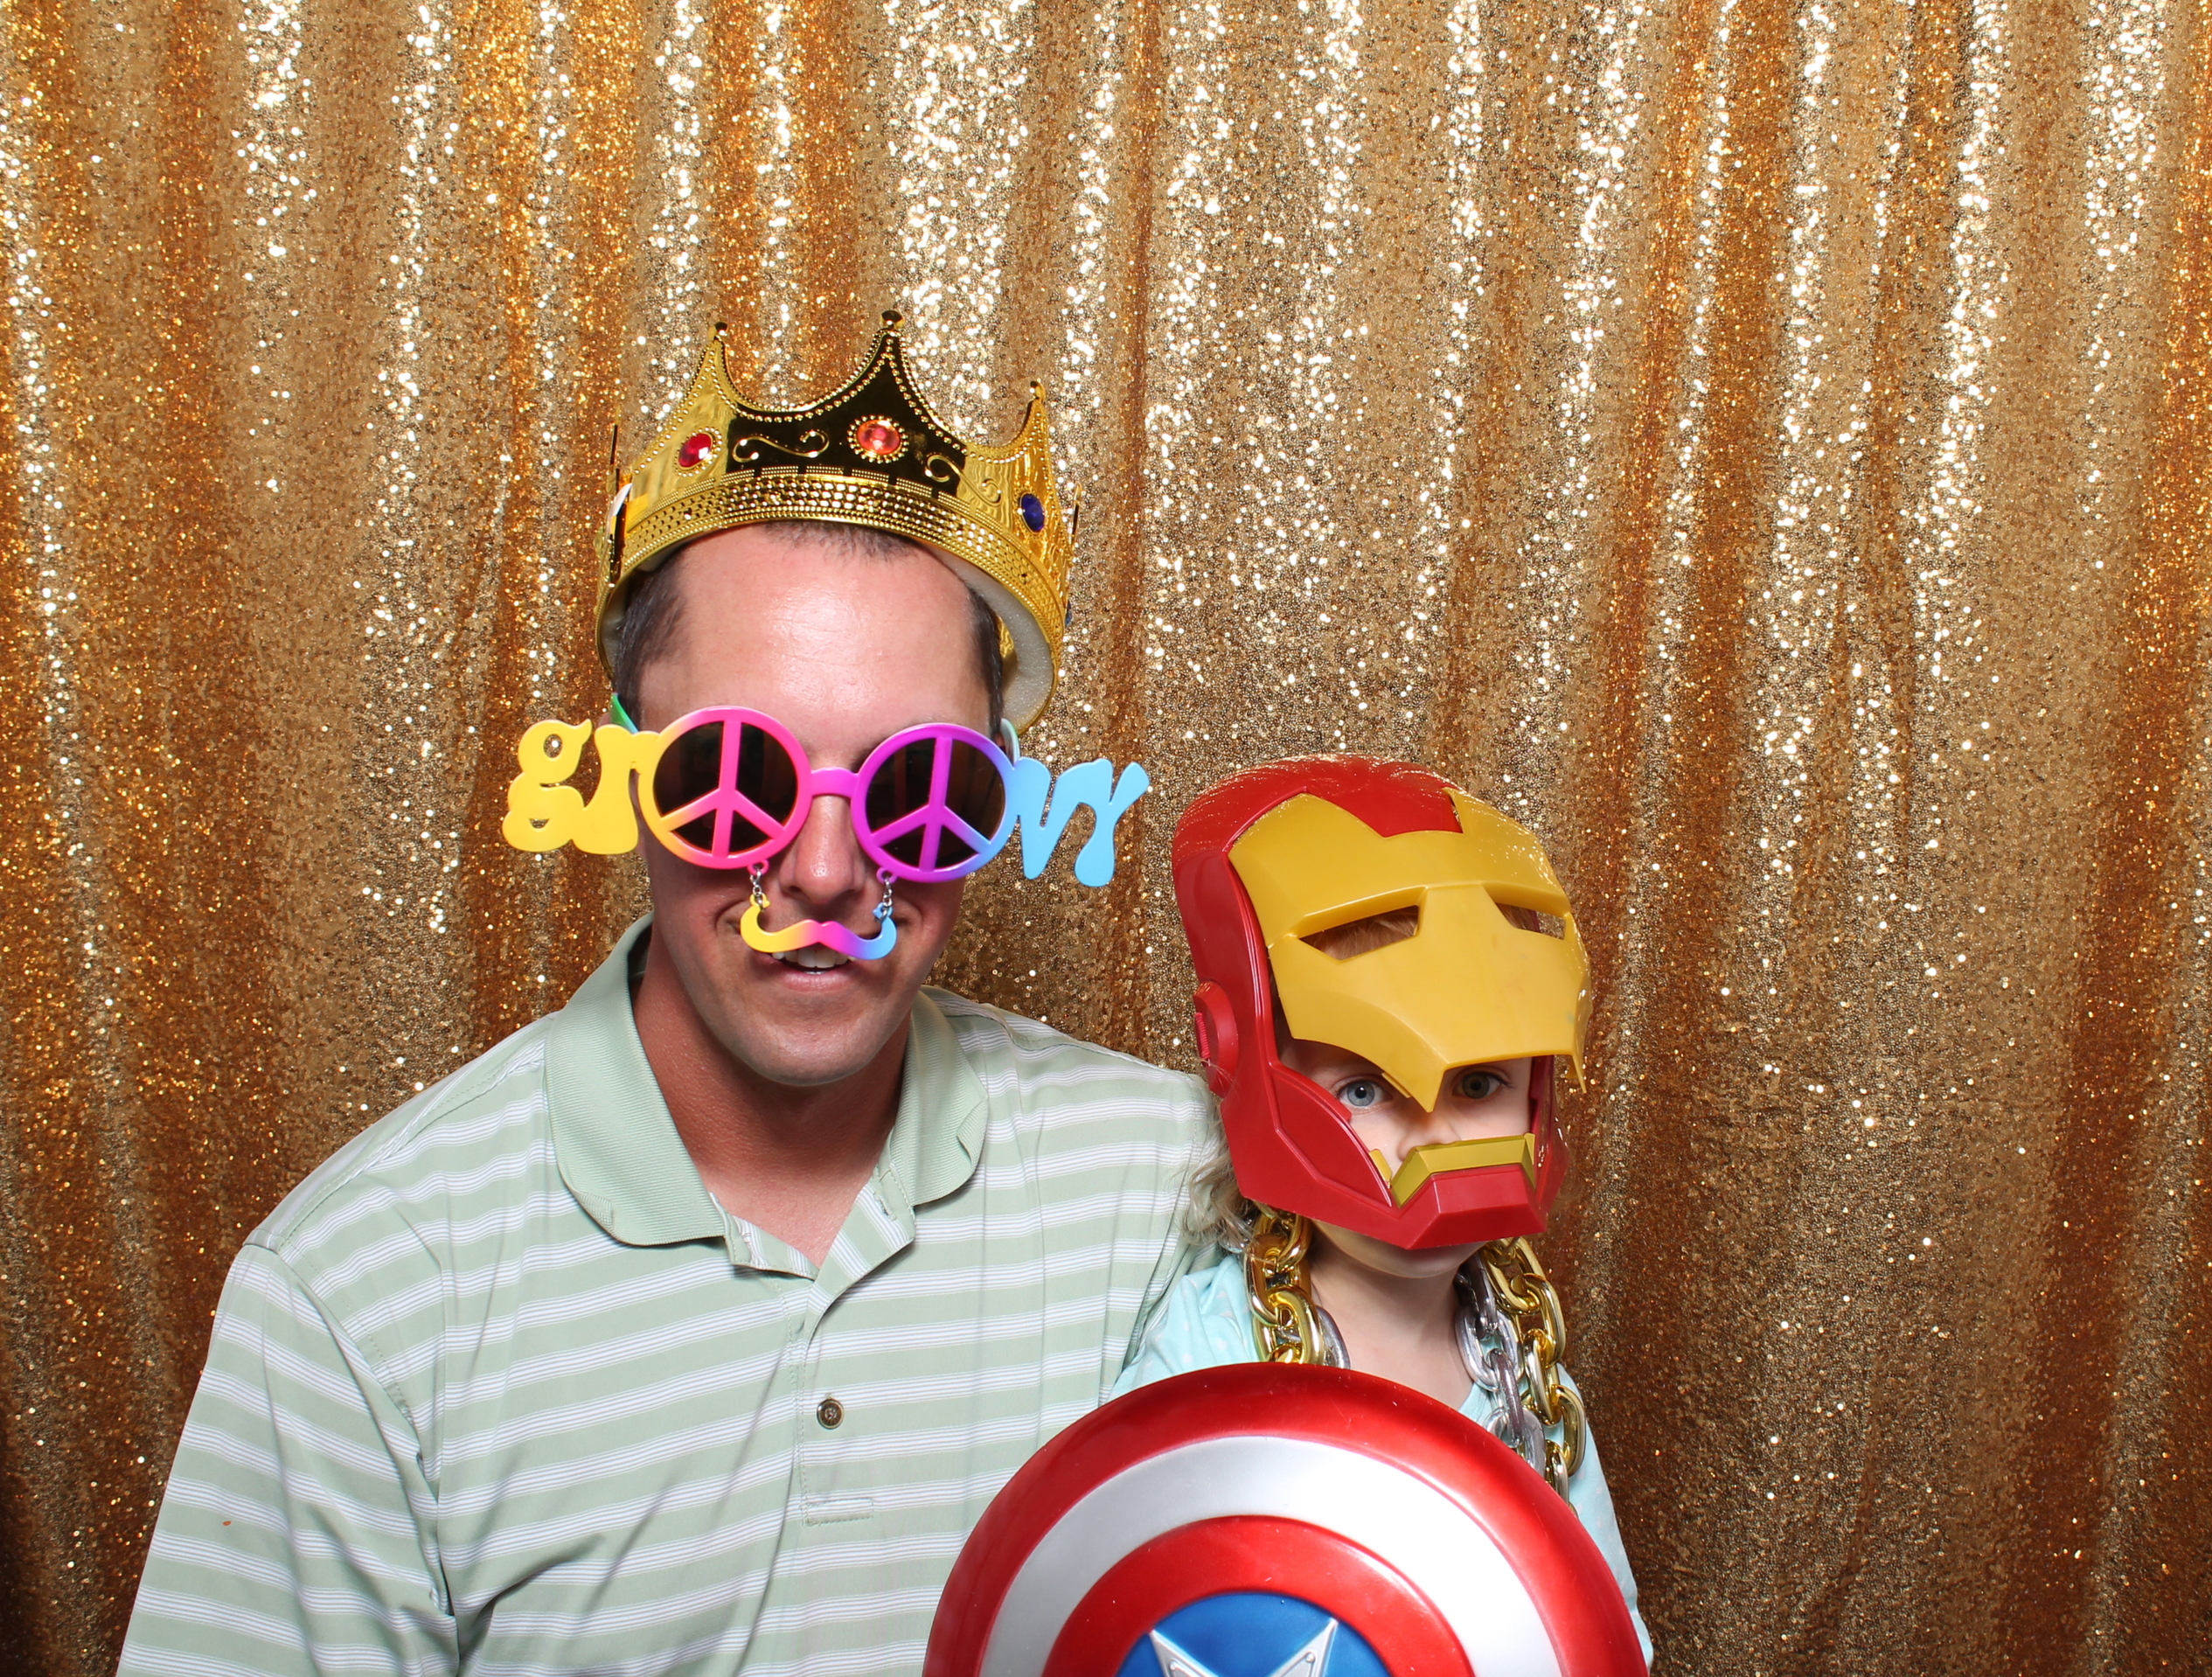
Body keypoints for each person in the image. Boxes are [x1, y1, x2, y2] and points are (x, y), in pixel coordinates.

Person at [116, 315, 1214, 1674]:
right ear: (622, 771)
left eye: (922, 785)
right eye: (735, 776)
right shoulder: (361, 1293)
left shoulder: (1172, 1187)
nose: (826, 871)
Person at [1119, 753, 1652, 1660]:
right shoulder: (1211, 1347)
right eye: (1365, 1090)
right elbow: (1121, 1601)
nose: (1431, 1140)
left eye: (1477, 1082)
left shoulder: (1521, 1363)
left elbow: (1605, 1629)